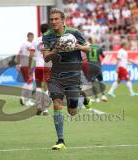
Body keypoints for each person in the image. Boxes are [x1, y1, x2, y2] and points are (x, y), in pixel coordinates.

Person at [42, 8, 90, 150]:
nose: (53, 22)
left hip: (73, 74)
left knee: (72, 112)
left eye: (56, 19)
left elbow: (88, 48)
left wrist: (78, 46)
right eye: (51, 19)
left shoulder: (74, 32)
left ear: (63, 20)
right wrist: (56, 50)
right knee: (57, 104)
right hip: (56, 75)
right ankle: (60, 140)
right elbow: (45, 58)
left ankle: (83, 96)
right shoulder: (47, 36)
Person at [82, 38, 107, 107]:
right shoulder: (99, 47)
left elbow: (83, 56)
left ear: (89, 41)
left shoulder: (86, 48)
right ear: (95, 40)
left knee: (93, 83)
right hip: (98, 66)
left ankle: (96, 98)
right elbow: (103, 56)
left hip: (90, 66)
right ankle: (104, 95)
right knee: (101, 81)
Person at [33, 23, 52, 115]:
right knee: (47, 87)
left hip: (38, 66)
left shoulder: (35, 41)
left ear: (40, 31)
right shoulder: (50, 40)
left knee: (38, 86)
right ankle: (45, 109)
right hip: (47, 66)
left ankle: (39, 106)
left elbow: (32, 54)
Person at [16, 32, 35, 106]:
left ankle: (23, 97)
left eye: (33, 37)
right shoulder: (29, 45)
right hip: (28, 65)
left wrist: (18, 64)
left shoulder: (23, 44)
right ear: (28, 37)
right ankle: (27, 100)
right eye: (31, 37)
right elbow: (32, 54)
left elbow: (19, 54)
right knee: (30, 82)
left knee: (27, 82)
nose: (32, 39)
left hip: (23, 65)